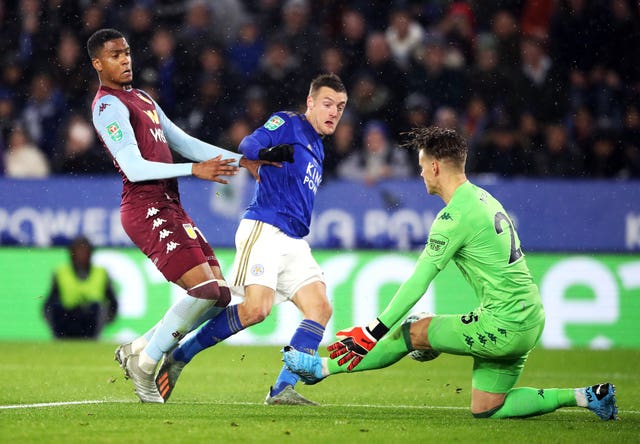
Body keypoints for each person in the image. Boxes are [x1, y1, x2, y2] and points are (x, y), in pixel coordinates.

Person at [283, 126, 618, 421]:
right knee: (487, 407)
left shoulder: (454, 216)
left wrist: (371, 331)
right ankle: (587, 396)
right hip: (530, 318)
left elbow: (419, 280)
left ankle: (320, 369)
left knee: (412, 331)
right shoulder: (483, 198)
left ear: (435, 166)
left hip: (504, 324)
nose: (421, 176)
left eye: (421, 168)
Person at [87, 28, 285, 403]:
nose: (126, 59)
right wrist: (193, 172)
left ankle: (140, 348)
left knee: (221, 295)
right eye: (115, 55)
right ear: (98, 63)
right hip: (145, 207)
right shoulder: (107, 106)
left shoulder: (142, 98)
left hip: (170, 205)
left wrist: (244, 160)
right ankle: (146, 363)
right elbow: (133, 167)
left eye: (127, 52)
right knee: (205, 290)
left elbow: (186, 143)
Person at [154, 73, 348, 406]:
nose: (334, 112)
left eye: (341, 107)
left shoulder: (317, 146)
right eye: (328, 104)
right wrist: (270, 151)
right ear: (311, 102)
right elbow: (248, 145)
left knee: (320, 308)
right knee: (256, 309)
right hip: (265, 229)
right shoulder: (289, 122)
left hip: (295, 241)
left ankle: (282, 388)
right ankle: (180, 354)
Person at [43, 235, 118, 339]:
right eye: (78, 251)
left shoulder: (101, 273)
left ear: (90, 254)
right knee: (57, 307)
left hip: (91, 321)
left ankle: (92, 339)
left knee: (98, 307)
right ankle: (60, 340)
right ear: (72, 254)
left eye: (84, 251)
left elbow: (113, 303)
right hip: (67, 319)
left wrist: (107, 319)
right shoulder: (61, 273)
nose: (81, 255)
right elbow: (48, 304)